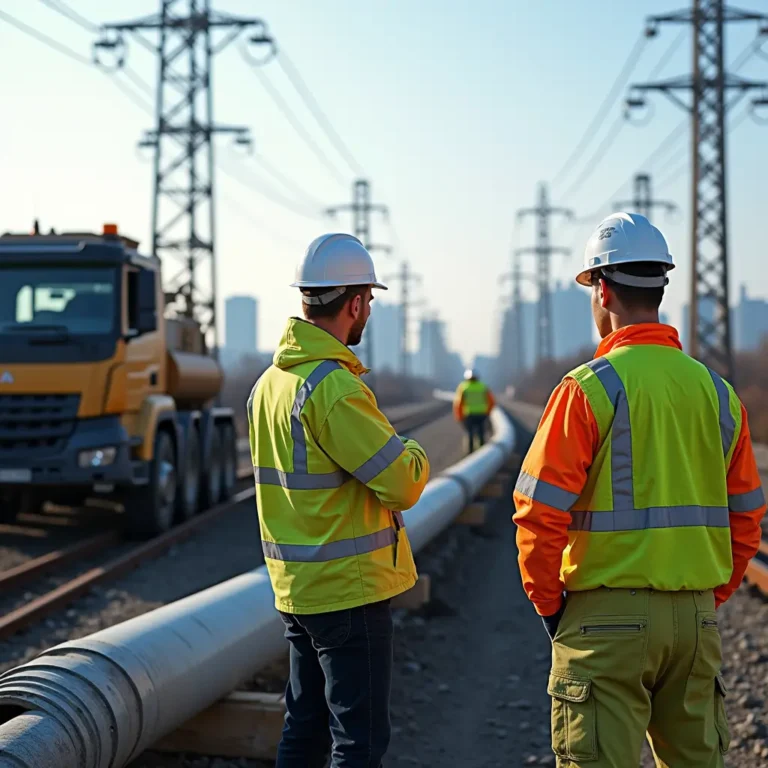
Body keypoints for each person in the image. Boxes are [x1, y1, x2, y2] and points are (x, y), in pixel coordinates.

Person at [512, 212, 765, 767]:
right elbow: (748, 516)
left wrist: (551, 606)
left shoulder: (586, 390)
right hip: (694, 620)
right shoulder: (718, 393)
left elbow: (537, 512)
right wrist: (706, 599)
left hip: (604, 623)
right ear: (660, 289)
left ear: (602, 290)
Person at [247, 233, 430, 768]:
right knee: (358, 743)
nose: (368, 309)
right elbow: (402, 483)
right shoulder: (334, 389)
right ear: (353, 303)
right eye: (368, 299)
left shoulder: (269, 384)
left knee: (303, 730)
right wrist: (413, 449)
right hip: (348, 591)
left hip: (297, 589)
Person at [453, 368, 496, 453]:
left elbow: (458, 403)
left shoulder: (463, 387)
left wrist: (459, 416)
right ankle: (482, 451)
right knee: (481, 433)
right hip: (481, 414)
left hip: (469, 415)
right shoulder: (483, 387)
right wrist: (487, 412)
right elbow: (491, 401)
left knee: (469, 433)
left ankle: (470, 452)